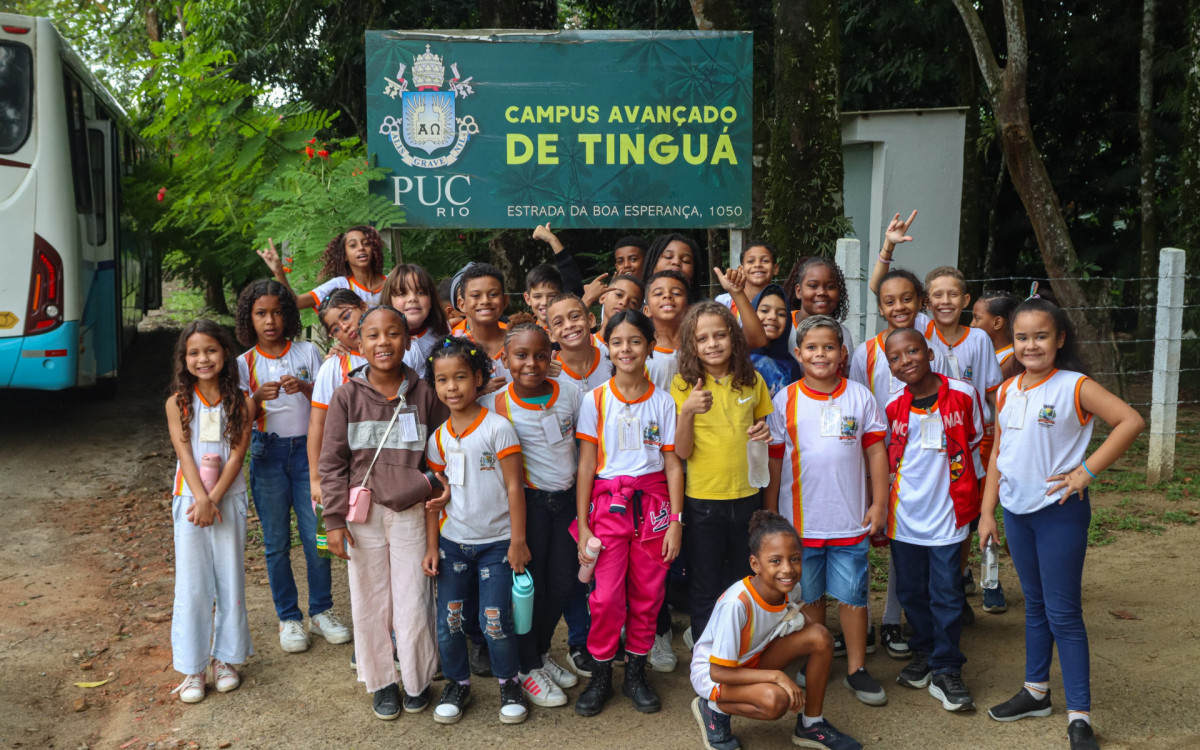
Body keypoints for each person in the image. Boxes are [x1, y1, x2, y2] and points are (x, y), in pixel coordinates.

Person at [979, 297, 1144, 750]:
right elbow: (999, 454)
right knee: (1034, 605)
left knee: (1064, 613)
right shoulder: (1007, 390)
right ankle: (1036, 692)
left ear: (1060, 339)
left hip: (1059, 514)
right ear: (1010, 341)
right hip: (1016, 512)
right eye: (1021, 337)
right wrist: (987, 511)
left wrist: (1085, 472)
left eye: (1041, 336)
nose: (1031, 345)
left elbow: (1130, 421)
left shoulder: (1075, 385)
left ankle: (1080, 716)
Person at [320, 305, 448, 720]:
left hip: (411, 512)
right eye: (372, 335)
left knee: (413, 601)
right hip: (363, 517)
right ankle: (382, 682)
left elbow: (443, 454)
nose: (383, 343)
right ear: (359, 341)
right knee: (370, 601)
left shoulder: (426, 394)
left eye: (392, 334)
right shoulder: (346, 396)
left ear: (408, 340)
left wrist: (437, 490)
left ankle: (416, 680)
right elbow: (332, 463)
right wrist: (334, 522)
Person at [765, 315, 890, 708]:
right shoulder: (784, 400)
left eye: (829, 347)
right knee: (812, 596)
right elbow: (773, 460)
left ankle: (856, 668)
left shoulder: (860, 397)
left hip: (849, 519)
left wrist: (880, 502)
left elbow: (875, 452)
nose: (821, 354)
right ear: (798, 353)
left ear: (843, 354)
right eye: (812, 348)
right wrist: (771, 514)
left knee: (853, 596)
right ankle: (818, 658)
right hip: (799, 523)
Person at [573, 309, 684, 717]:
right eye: (617, 341)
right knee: (604, 597)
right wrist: (584, 524)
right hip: (608, 507)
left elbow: (672, 463)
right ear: (607, 347)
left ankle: (636, 671)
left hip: (653, 508)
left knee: (649, 593)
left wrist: (675, 522)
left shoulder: (664, 401)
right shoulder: (595, 400)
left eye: (635, 341)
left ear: (650, 346)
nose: (626, 349)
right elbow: (586, 464)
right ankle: (601, 673)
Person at [234, 281, 349, 654]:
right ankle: (289, 617)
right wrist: (254, 399)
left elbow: (328, 396)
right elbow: (237, 418)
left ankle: (322, 610)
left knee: (318, 535)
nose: (270, 320)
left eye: (278, 312)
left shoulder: (307, 351)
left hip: (308, 454)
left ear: (288, 315)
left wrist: (303, 387)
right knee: (276, 541)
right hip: (267, 454)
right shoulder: (243, 362)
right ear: (248, 319)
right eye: (261, 313)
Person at [424, 337, 532, 725]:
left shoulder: (498, 429)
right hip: (453, 544)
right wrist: (433, 545)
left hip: (498, 545)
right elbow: (436, 495)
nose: (452, 387)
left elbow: (515, 488)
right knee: (449, 619)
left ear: (480, 379)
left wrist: (517, 542)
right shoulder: (438, 438)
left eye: (461, 377)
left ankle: (509, 683)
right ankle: (458, 683)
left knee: (494, 618)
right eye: (442, 380)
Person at [690, 510, 863, 750]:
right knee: (776, 701)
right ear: (755, 564)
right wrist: (776, 676)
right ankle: (713, 709)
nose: (787, 569)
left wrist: (815, 642)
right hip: (715, 674)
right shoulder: (737, 604)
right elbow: (719, 672)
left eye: (794, 559)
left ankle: (811, 724)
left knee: (821, 636)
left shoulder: (790, 588)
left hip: (751, 660)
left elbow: (804, 627)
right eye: (775, 560)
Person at [482, 314, 585, 707]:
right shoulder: (495, 402)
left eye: (540, 356)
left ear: (551, 357)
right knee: (528, 588)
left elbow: (584, 446)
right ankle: (526, 668)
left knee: (561, 583)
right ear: (504, 359)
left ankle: (539, 654)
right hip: (527, 507)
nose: (531, 364)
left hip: (567, 504)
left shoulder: (571, 393)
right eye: (521, 355)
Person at [883, 328, 982, 713]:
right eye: (896, 356)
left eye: (913, 351)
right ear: (890, 366)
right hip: (905, 516)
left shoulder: (963, 394)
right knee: (911, 591)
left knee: (946, 592)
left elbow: (974, 445)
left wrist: (975, 507)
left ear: (929, 353)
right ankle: (925, 651)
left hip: (947, 515)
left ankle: (946, 668)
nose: (906, 360)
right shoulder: (892, 405)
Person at [670, 302, 772, 652]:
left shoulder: (752, 380)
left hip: (746, 496)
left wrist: (762, 432)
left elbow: (763, 428)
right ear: (691, 345)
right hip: (703, 501)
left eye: (720, 335)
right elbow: (681, 452)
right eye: (702, 338)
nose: (712, 343)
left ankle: (737, 649)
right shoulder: (683, 385)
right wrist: (687, 413)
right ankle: (706, 653)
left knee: (740, 580)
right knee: (705, 582)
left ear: (734, 338)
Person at [165, 320, 254, 704]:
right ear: (184, 360)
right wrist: (200, 499)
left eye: (211, 350)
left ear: (225, 354)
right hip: (190, 502)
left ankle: (226, 659)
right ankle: (193, 666)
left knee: (230, 577)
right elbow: (184, 452)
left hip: (226, 498)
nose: (203, 359)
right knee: (192, 583)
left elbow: (237, 454)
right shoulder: (178, 403)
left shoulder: (242, 401)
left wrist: (214, 498)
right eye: (194, 353)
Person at [923, 265, 1005, 617]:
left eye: (953, 294)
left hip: (972, 444)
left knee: (965, 514)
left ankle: (956, 583)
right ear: (927, 301)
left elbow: (993, 396)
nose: (945, 301)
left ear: (966, 300)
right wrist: (888, 249)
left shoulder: (979, 339)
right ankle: (934, 590)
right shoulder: (919, 333)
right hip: (930, 444)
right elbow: (883, 290)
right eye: (937, 295)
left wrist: (999, 440)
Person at [308, 290, 368, 511]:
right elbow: (317, 424)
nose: (344, 327)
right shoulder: (333, 367)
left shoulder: (400, 350)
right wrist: (316, 479)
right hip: (351, 469)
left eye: (346, 316)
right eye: (335, 329)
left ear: (363, 305)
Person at [257, 226, 387, 309]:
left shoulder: (391, 282)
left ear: (373, 250)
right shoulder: (340, 284)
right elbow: (296, 303)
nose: (361, 248)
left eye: (366, 244)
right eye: (353, 245)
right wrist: (279, 271)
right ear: (344, 256)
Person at [381, 263, 450, 378]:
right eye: (402, 293)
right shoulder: (379, 342)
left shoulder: (444, 334)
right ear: (389, 301)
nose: (412, 298)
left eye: (420, 292)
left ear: (431, 300)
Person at [451, 262, 511, 389]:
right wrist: (479, 391)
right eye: (476, 296)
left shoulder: (520, 341)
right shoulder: (454, 349)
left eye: (493, 294)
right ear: (462, 304)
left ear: (505, 300)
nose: (485, 301)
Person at [784, 255, 854, 362]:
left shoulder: (843, 334)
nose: (822, 292)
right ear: (799, 291)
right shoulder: (784, 327)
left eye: (830, 287)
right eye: (813, 286)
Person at [548, 293, 611, 394]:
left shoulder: (612, 360)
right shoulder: (549, 371)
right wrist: (543, 379)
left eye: (575, 316)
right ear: (551, 335)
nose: (569, 325)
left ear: (591, 320)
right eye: (558, 322)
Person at [750, 283, 803, 397]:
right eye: (764, 311)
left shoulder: (791, 367)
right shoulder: (736, 358)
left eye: (781, 314)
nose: (772, 317)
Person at [642, 270, 690, 392]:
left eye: (676, 293)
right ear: (647, 310)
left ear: (689, 309)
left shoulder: (698, 346)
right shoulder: (640, 349)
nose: (667, 296)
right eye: (658, 293)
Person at [715, 239, 779, 326]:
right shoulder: (725, 302)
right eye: (751, 261)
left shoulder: (780, 304)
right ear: (741, 269)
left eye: (765, 261)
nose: (758, 265)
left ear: (775, 269)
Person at [972, 289, 1021, 382]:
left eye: (977, 318)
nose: (972, 324)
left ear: (997, 323)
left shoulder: (1011, 359)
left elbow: (985, 387)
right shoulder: (983, 351)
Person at [642, 232, 703, 303]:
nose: (676, 262)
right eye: (668, 256)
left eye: (685, 260)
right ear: (652, 265)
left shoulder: (707, 311)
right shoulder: (636, 306)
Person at [523, 263, 564, 330]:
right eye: (537, 296)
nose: (544, 302)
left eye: (552, 296)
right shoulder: (523, 333)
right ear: (528, 299)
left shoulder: (569, 329)